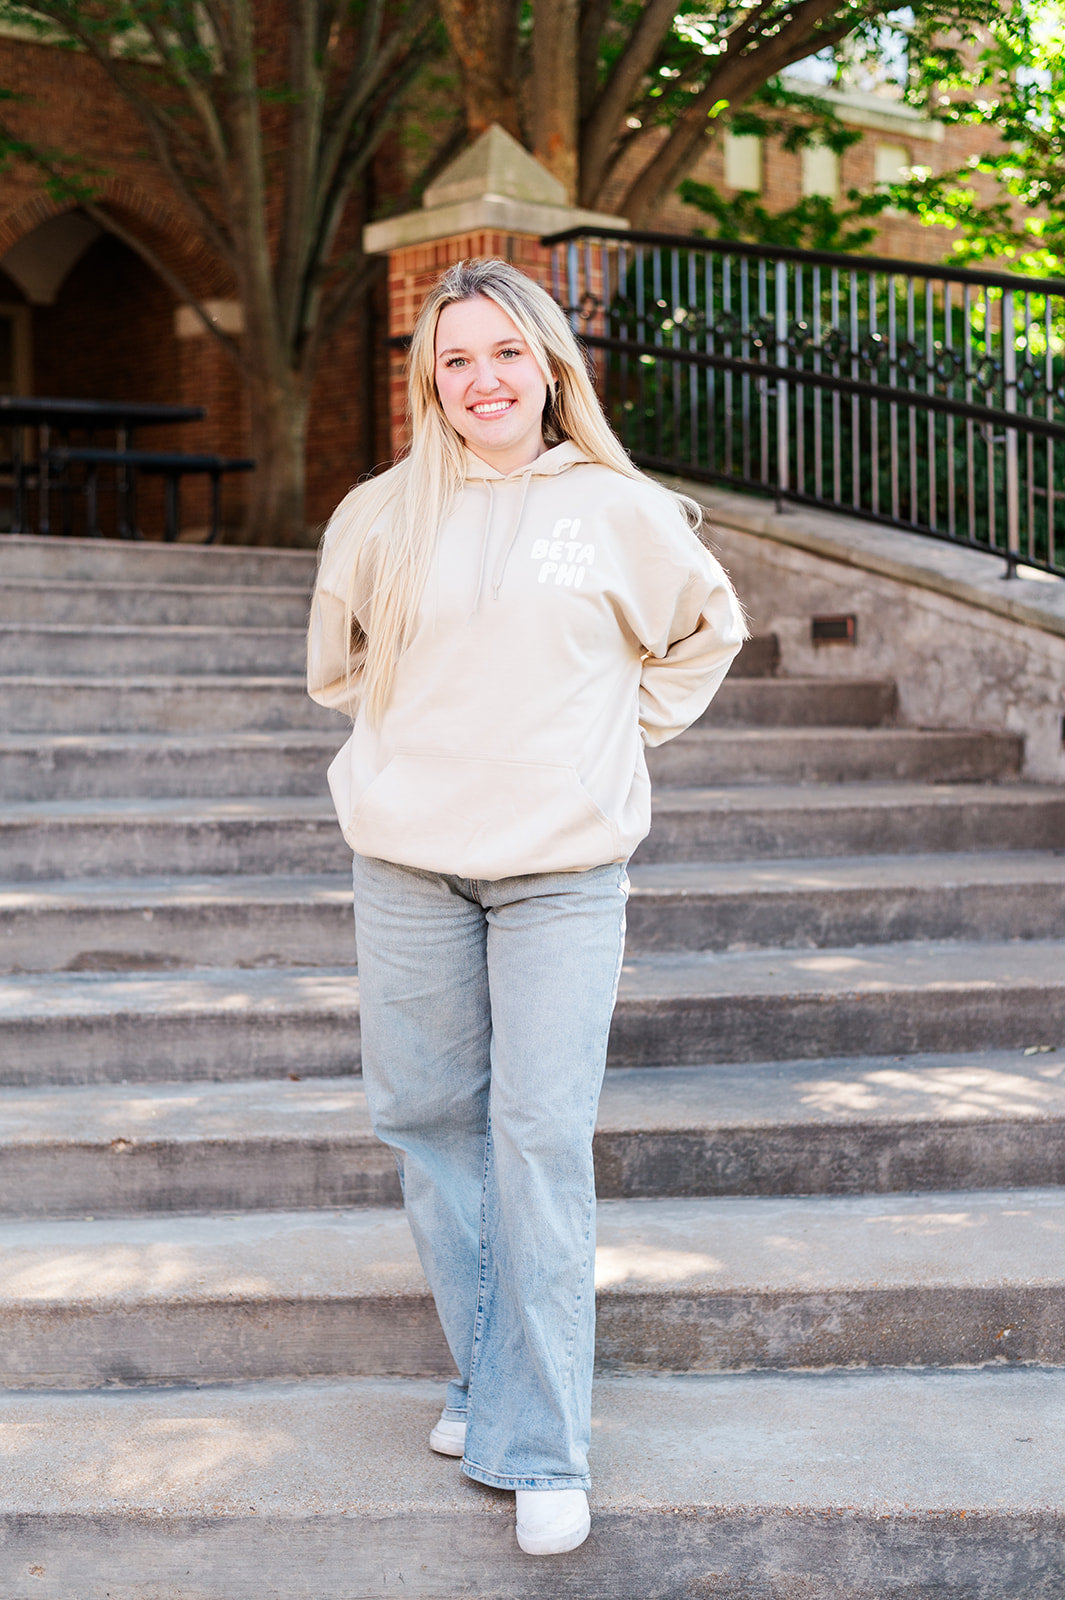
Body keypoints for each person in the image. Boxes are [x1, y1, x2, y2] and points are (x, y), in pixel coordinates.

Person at [306, 257, 746, 1556]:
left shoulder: (623, 510)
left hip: (562, 873)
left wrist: (602, 734)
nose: (482, 379)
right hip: (408, 866)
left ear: (550, 365)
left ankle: (541, 1446)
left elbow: (704, 636)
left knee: (538, 1138)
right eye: (456, 358)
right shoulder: (378, 514)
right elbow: (341, 670)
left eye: (506, 352)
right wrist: (420, 745)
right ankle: (488, 1380)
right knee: (430, 1129)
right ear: (428, 380)